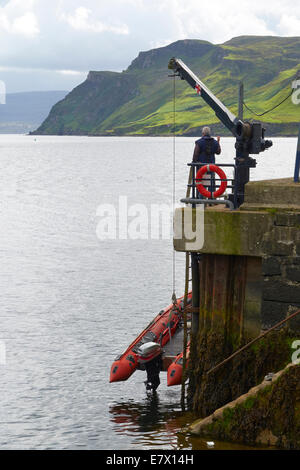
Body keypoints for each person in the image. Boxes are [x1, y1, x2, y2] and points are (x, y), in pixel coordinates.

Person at [193, 127, 221, 197]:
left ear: (203, 133)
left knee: (201, 183)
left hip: (201, 167)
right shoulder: (214, 142)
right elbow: (218, 152)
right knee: (211, 182)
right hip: (211, 166)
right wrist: (218, 142)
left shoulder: (199, 142)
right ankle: (212, 201)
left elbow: (196, 154)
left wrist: (194, 162)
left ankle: (200, 201)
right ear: (209, 133)